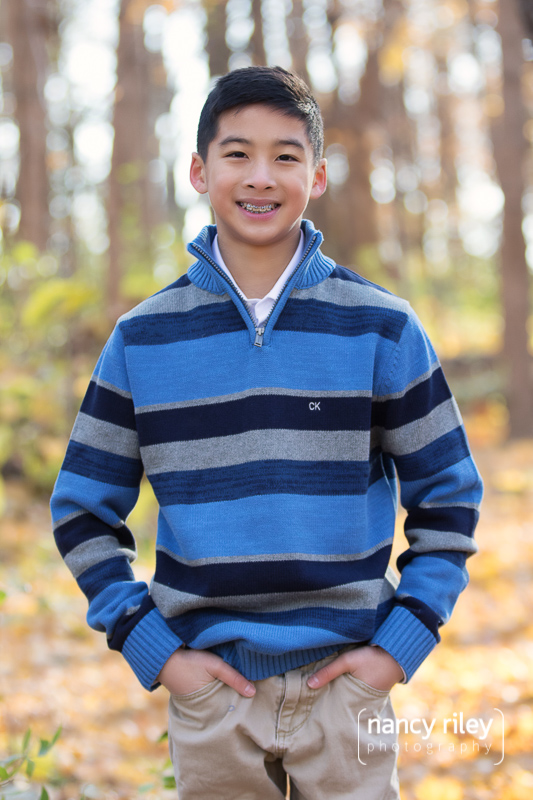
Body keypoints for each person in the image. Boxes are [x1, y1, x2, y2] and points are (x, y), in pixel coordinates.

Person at [51, 66, 483, 799]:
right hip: (211, 694)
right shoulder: (142, 339)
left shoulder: (381, 326)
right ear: (198, 170)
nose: (260, 177)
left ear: (316, 176)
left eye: (286, 156)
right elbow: (82, 511)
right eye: (236, 153)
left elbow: (448, 500)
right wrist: (157, 653)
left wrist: (397, 648)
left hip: (348, 687)